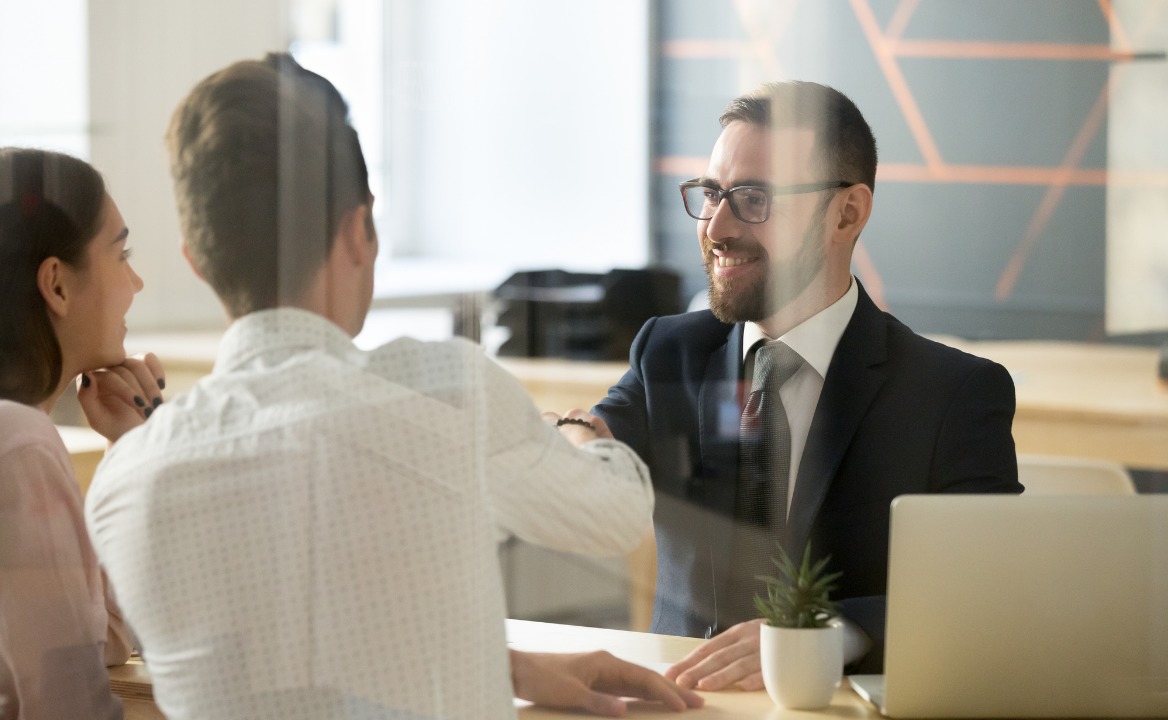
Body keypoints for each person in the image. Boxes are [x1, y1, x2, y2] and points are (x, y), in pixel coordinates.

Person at [84, 54, 702, 720]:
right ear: (359, 230)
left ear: (196, 261)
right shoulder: (444, 391)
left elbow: (285, 662)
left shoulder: (124, 483)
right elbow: (616, 515)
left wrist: (508, 667)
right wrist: (579, 433)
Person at [592, 81, 1021, 689]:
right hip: (680, 702)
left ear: (847, 213)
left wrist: (825, 633)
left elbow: (989, 590)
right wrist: (573, 440)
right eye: (712, 193)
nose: (715, 227)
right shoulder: (669, 352)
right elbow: (600, 435)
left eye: (754, 199)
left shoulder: (952, 394)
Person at [0, 148, 163, 718]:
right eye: (122, 255)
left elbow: (102, 639)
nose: (136, 283)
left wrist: (128, 449)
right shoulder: (12, 440)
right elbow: (66, 701)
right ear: (57, 285)